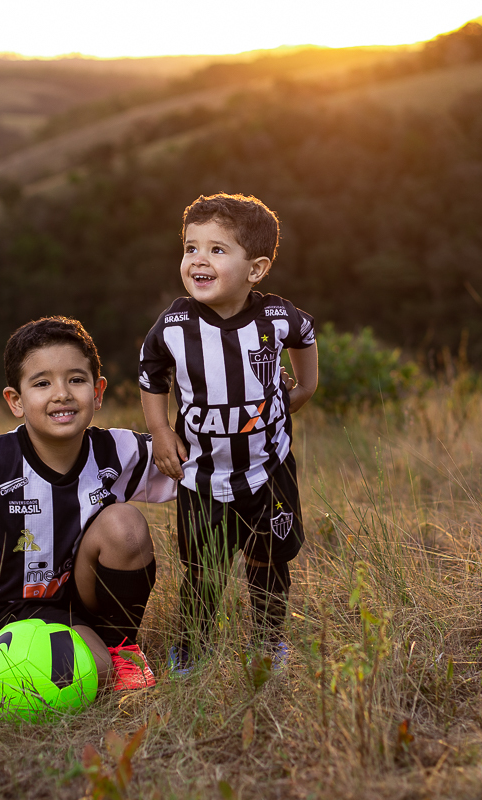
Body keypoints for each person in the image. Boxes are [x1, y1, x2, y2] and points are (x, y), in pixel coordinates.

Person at [0, 316, 175, 691]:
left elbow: (189, 462)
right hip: (9, 610)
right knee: (87, 678)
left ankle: (123, 646)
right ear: (16, 401)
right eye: (42, 383)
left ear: (98, 392)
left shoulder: (116, 451)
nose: (62, 394)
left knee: (126, 526)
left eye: (76, 379)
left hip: (77, 602)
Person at [138, 193, 318, 671]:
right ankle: (193, 647)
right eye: (191, 247)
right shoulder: (174, 324)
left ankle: (267, 641)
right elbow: (151, 373)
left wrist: (305, 386)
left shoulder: (276, 316)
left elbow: (306, 336)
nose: (199, 259)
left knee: (270, 561)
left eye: (217, 250)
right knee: (203, 572)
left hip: (269, 468)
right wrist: (159, 430)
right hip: (201, 477)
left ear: (255, 269)